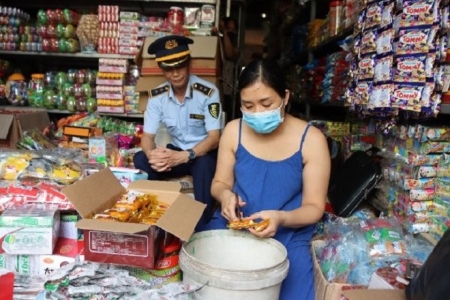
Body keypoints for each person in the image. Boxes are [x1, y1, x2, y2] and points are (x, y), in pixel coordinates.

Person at [206, 59, 331, 299]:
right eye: (248, 105)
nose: (258, 113)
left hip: (288, 232)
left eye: (266, 103)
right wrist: (225, 196)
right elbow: (219, 183)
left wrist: (281, 218)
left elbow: (314, 208)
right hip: (234, 226)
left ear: (285, 97)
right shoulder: (234, 130)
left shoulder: (312, 139)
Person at [133, 35, 223, 231]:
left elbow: (214, 137)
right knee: (140, 159)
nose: (175, 73)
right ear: (162, 69)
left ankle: (203, 224)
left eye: (179, 66)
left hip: (201, 153)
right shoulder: (157, 96)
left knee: (205, 163)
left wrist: (185, 156)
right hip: (176, 153)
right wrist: (153, 156)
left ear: (189, 63)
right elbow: (147, 137)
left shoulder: (208, 92)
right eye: (168, 68)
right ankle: (158, 213)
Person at [218, 16, 240, 120]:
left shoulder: (236, 48)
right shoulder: (219, 43)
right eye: (228, 28)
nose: (231, 32)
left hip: (228, 90)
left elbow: (229, 53)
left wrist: (225, 33)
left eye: (233, 29)